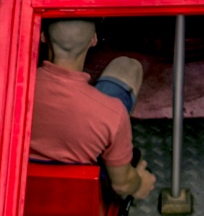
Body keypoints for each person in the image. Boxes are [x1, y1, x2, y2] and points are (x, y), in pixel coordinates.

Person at [30, 18, 157, 201]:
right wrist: (139, 184)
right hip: (79, 200)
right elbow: (122, 185)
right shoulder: (112, 113)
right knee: (127, 66)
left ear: (43, 37)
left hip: (23, 192)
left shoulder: (11, 91)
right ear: (94, 40)